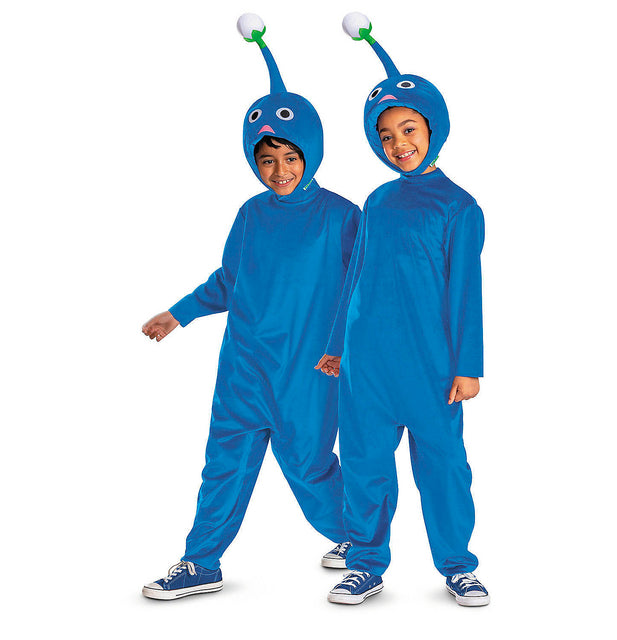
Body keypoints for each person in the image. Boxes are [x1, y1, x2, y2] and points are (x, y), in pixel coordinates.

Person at [141, 14, 359, 600]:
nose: (279, 171)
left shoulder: (342, 217)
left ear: (311, 153)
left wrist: (340, 350)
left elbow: (358, 291)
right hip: (243, 365)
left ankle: (358, 538)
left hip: (309, 369)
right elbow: (231, 280)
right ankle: (201, 561)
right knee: (223, 465)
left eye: (290, 157)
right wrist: (179, 313)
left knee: (309, 465)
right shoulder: (251, 214)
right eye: (267, 160)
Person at [315, 13, 489, 606]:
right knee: (364, 465)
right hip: (366, 367)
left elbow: (466, 291)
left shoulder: (459, 207)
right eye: (385, 136)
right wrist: (336, 345)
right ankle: (366, 563)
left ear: (433, 128)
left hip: (432, 368)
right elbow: (355, 278)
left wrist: (467, 366)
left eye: (408, 129)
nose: (398, 144)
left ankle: (458, 565)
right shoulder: (378, 200)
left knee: (443, 467)